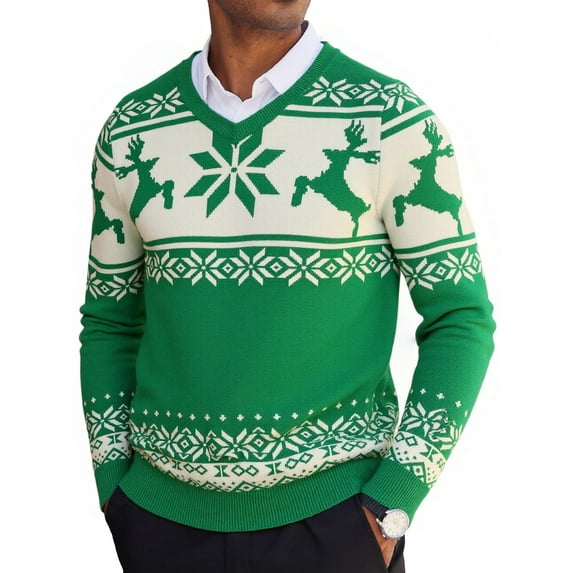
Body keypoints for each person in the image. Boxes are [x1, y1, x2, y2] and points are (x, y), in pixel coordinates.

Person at [79, 1, 495, 571]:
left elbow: (460, 318)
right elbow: (110, 320)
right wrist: (112, 486)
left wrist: (395, 500)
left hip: (335, 526)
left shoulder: (390, 119)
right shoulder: (133, 128)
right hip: (160, 525)